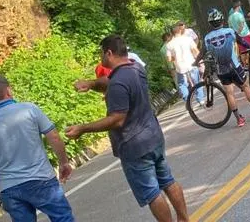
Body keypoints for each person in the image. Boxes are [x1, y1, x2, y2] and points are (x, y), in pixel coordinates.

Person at [66, 36, 189, 222]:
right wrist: (91, 84)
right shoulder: (135, 68)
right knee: (167, 180)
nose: (100, 56)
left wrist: (83, 128)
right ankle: (184, 219)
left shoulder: (118, 83)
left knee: (152, 193)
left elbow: (117, 120)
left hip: (134, 145)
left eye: (101, 52)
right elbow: (110, 82)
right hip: (153, 136)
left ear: (109, 52)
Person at [0, 75, 74, 222]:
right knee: (62, 218)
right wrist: (64, 162)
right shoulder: (29, 109)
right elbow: (54, 137)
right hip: (41, 180)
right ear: (8, 91)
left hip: (9, 189)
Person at [199, 8, 250, 127]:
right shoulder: (229, 31)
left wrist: (196, 62)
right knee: (245, 86)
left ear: (210, 23)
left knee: (229, 93)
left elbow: (201, 54)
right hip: (234, 67)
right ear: (222, 20)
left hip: (221, 70)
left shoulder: (207, 38)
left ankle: (239, 119)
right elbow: (242, 42)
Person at [166, 23, 205, 107]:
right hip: (191, 64)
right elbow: (195, 50)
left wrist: (174, 58)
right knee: (197, 82)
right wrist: (199, 59)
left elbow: (169, 59)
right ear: (180, 30)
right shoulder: (188, 39)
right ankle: (201, 99)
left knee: (182, 85)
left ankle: (188, 101)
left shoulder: (169, 45)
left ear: (172, 33)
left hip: (180, 68)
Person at [228, 0, 250, 67]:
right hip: (245, 34)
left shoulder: (230, 18)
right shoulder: (239, 15)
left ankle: (245, 65)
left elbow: (230, 28)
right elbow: (242, 24)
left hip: (238, 37)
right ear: (238, 7)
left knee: (242, 52)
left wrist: (236, 34)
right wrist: (239, 31)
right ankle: (249, 64)